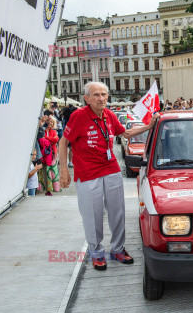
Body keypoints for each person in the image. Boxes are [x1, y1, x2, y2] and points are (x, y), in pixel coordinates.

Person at [59, 82, 158, 271]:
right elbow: (63, 143)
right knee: (92, 215)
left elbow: (126, 133)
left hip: (111, 168)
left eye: (104, 94)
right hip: (87, 173)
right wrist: (63, 170)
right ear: (86, 98)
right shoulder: (79, 116)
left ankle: (117, 249)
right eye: (96, 95)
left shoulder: (109, 115)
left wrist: (148, 126)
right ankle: (96, 253)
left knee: (117, 212)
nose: (101, 98)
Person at [38, 116, 61, 196]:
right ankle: (43, 189)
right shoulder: (42, 130)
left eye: (52, 122)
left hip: (52, 154)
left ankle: (50, 189)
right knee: (44, 171)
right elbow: (41, 140)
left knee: (51, 171)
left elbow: (56, 140)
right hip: (43, 153)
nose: (50, 123)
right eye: (49, 121)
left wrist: (46, 138)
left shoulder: (53, 132)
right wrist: (49, 140)